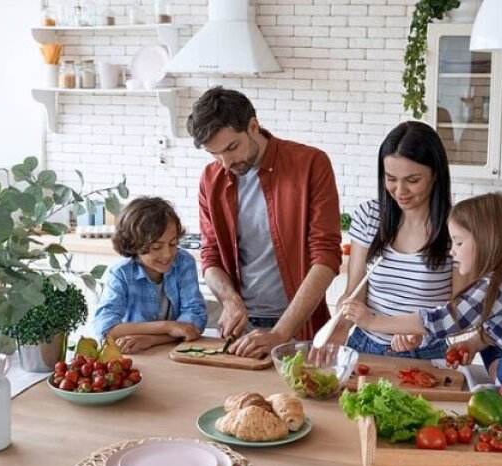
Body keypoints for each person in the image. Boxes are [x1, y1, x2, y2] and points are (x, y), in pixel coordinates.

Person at [344, 192, 502, 386]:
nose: (452, 252)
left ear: (485, 242)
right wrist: (472, 343)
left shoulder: (500, 283)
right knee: (488, 343)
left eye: (458, 243)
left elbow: (445, 319)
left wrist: (372, 321)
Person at [187, 86, 342, 358]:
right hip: (240, 332)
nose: (226, 163)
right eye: (215, 154)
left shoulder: (311, 164)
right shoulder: (211, 179)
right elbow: (210, 256)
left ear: (253, 126)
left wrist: (280, 334)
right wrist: (229, 299)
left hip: (298, 328)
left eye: (232, 147)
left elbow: (326, 258)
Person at [333, 121, 459, 359]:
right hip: (364, 347)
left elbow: (458, 311)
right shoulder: (370, 217)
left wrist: (421, 333)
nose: (400, 190)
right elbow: (354, 293)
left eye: (412, 180)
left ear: (435, 175)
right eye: (391, 178)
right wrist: (339, 325)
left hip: (426, 355)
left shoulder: (456, 228)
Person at [93, 196, 207, 353]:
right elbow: (105, 329)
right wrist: (168, 326)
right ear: (134, 245)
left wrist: (152, 340)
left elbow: (195, 321)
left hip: (175, 353)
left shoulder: (184, 262)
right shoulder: (121, 274)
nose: (167, 254)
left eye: (173, 243)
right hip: (134, 356)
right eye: (156, 247)